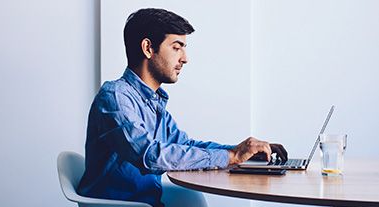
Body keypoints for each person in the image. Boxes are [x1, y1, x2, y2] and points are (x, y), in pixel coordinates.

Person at [77, 8, 288, 207]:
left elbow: (185, 145)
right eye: (176, 47)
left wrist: (241, 151)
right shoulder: (115, 98)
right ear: (148, 48)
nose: (185, 59)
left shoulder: (154, 103)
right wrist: (232, 156)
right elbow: (150, 155)